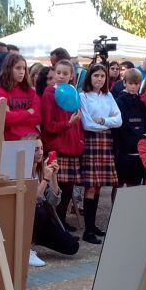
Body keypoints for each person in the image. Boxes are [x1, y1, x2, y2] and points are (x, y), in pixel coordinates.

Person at [78, 64, 121, 244]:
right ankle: (88, 230)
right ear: (90, 77)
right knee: (90, 186)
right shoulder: (83, 96)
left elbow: (118, 120)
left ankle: (92, 225)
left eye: (102, 76)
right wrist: (107, 124)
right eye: (96, 75)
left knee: (98, 187)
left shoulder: (108, 95)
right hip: (92, 141)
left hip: (105, 141)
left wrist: (104, 120)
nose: (99, 79)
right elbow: (87, 124)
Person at [41, 59, 84, 231]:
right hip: (58, 147)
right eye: (58, 72)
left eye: (65, 73)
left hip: (73, 147)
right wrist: (68, 123)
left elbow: (78, 121)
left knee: (68, 190)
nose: (61, 76)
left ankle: (63, 222)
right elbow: (48, 125)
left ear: (71, 75)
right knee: (56, 190)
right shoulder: (49, 94)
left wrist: (80, 140)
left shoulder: (73, 92)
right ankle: (56, 226)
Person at [29, 136, 79, 267]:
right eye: (35, 149)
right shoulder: (22, 171)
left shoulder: (42, 170)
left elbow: (54, 201)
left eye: (41, 148)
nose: (40, 153)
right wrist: (46, 179)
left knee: (73, 246)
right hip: (28, 218)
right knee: (39, 211)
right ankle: (26, 249)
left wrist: (54, 177)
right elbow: (32, 198)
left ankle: (37, 238)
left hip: (42, 221)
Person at [113, 68, 146, 188]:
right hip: (123, 152)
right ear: (125, 83)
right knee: (118, 185)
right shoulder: (119, 102)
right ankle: (116, 207)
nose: (133, 87)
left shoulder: (141, 103)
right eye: (131, 83)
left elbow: (145, 124)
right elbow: (116, 127)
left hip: (138, 152)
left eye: (136, 84)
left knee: (134, 186)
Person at [0, 53, 40, 141]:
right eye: (18, 68)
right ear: (9, 69)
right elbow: (5, 118)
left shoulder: (31, 91)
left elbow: (37, 117)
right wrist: (28, 112)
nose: (22, 71)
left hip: (33, 140)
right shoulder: (0, 90)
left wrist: (14, 115)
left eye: (24, 68)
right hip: (11, 141)